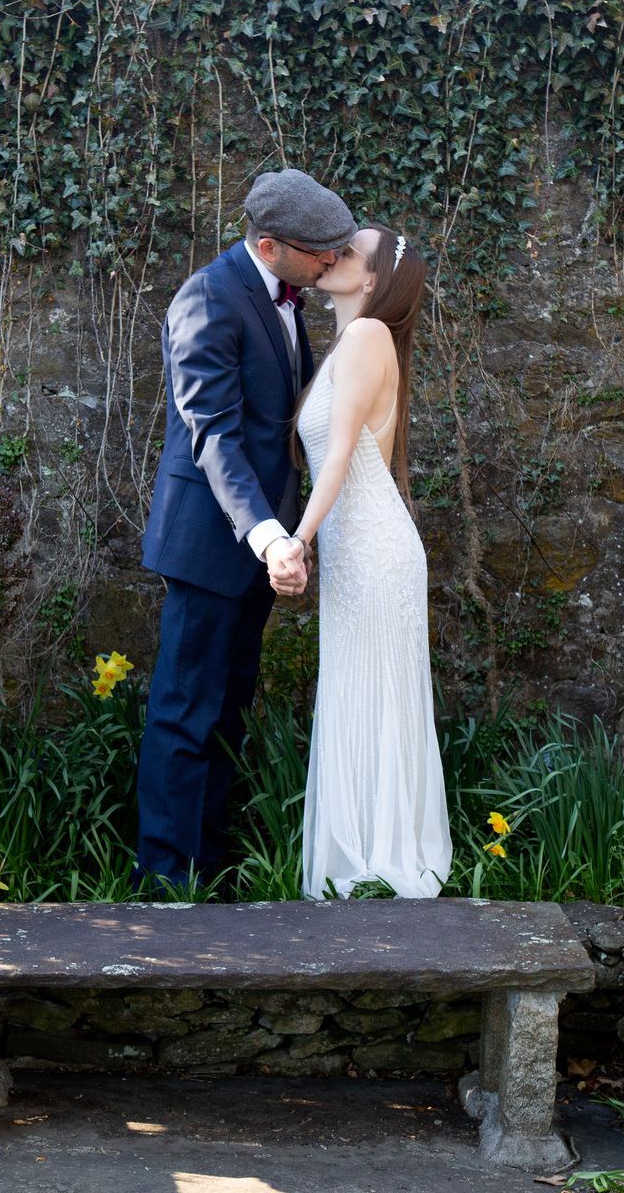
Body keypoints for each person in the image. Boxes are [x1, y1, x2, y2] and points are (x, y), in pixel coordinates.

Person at [134, 168, 356, 890]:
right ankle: (165, 886)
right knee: (184, 714)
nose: (331, 260)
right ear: (269, 245)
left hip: (263, 546)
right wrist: (268, 537)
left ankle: (211, 870)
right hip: (211, 543)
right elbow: (214, 435)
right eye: (319, 251)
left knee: (227, 712)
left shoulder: (286, 300)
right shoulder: (206, 298)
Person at [290, 224, 452, 899]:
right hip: (359, 553)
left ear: (372, 280)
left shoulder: (365, 339)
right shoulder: (350, 343)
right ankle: (363, 860)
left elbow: (337, 460)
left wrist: (295, 539)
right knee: (360, 694)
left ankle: (379, 861)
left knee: (377, 697)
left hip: (375, 553)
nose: (331, 255)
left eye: (348, 253)